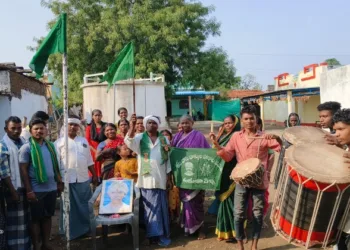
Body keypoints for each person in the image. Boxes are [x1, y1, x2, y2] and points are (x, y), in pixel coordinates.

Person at [210, 106, 282, 250]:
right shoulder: (236, 136)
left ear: (256, 120)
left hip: (259, 182)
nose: (249, 121)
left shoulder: (264, 136)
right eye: (246, 119)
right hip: (241, 181)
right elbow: (228, 156)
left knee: (257, 214)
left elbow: (281, 148)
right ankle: (241, 244)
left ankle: (254, 244)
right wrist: (218, 147)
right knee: (238, 214)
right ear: (242, 121)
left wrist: (277, 138)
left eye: (252, 118)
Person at [125, 114, 172, 247]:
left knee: (161, 209)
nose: (152, 125)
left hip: (161, 179)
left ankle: (161, 234)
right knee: (150, 210)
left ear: (158, 125)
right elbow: (128, 141)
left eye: (154, 123)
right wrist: (132, 125)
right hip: (146, 180)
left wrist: (168, 178)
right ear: (146, 125)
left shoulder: (164, 140)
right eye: (149, 123)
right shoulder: (139, 138)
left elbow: (168, 160)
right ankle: (152, 235)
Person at [19, 118, 63, 250]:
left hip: (51, 188)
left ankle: (46, 243)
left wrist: (59, 183)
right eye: (36, 129)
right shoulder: (26, 148)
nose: (39, 131)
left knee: (48, 217)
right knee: (35, 219)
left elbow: (56, 166)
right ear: (31, 131)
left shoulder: (50, 146)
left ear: (46, 130)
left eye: (41, 128)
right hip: (36, 190)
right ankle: (36, 245)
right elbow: (23, 170)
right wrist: (29, 190)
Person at [55, 116, 98, 240]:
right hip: (67, 180)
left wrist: (94, 175)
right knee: (68, 208)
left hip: (83, 178)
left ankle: (86, 229)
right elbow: (56, 164)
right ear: (65, 126)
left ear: (78, 127)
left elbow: (89, 160)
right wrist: (59, 181)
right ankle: (69, 232)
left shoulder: (83, 141)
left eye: (75, 125)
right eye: (70, 125)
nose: (73, 127)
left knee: (85, 205)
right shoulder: (59, 143)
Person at [172, 114, 210, 240]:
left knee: (196, 202)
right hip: (183, 175)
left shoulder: (198, 136)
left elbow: (207, 153)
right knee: (186, 202)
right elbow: (172, 152)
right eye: (182, 123)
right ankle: (188, 227)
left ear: (192, 123)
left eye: (187, 122)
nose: (184, 125)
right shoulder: (177, 137)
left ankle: (200, 229)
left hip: (196, 174)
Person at [209, 115, 241, 242]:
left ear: (236, 123)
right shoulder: (223, 136)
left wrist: (217, 144)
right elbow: (214, 151)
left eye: (230, 123)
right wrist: (215, 140)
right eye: (225, 123)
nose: (228, 125)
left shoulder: (238, 136)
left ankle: (235, 232)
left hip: (232, 171)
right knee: (223, 201)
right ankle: (224, 231)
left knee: (231, 202)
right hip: (221, 172)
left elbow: (231, 154)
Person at [0, 116, 30, 249]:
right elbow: (4, 173)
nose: (16, 131)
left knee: (25, 221)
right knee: (14, 222)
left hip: (25, 187)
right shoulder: (3, 146)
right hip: (13, 189)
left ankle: (25, 246)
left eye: (19, 128)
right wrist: (13, 192)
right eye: (13, 128)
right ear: (6, 129)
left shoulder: (23, 141)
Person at [333, 109, 350, 250]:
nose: (337, 133)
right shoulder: (345, 151)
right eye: (335, 129)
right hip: (343, 221)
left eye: (341, 129)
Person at [274, 113, 301, 189]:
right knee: (282, 170)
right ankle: (280, 187)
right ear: (289, 121)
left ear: (298, 121)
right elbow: (282, 143)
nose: (293, 122)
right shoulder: (286, 131)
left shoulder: (301, 131)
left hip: (295, 156)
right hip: (284, 154)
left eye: (295, 120)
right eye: (291, 120)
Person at [161, 129, 180, 223]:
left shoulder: (175, 148)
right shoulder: (158, 148)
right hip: (163, 175)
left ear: (170, 137)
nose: (165, 136)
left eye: (167, 135)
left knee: (174, 195)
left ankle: (175, 215)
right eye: (163, 135)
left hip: (174, 175)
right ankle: (168, 216)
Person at [85, 109, 106, 181]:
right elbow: (87, 141)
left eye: (99, 115)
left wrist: (102, 151)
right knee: (93, 170)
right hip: (92, 152)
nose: (97, 117)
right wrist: (96, 151)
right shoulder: (89, 128)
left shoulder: (105, 126)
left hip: (104, 151)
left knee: (103, 171)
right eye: (95, 115)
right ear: (92, 116)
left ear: (101, 116)